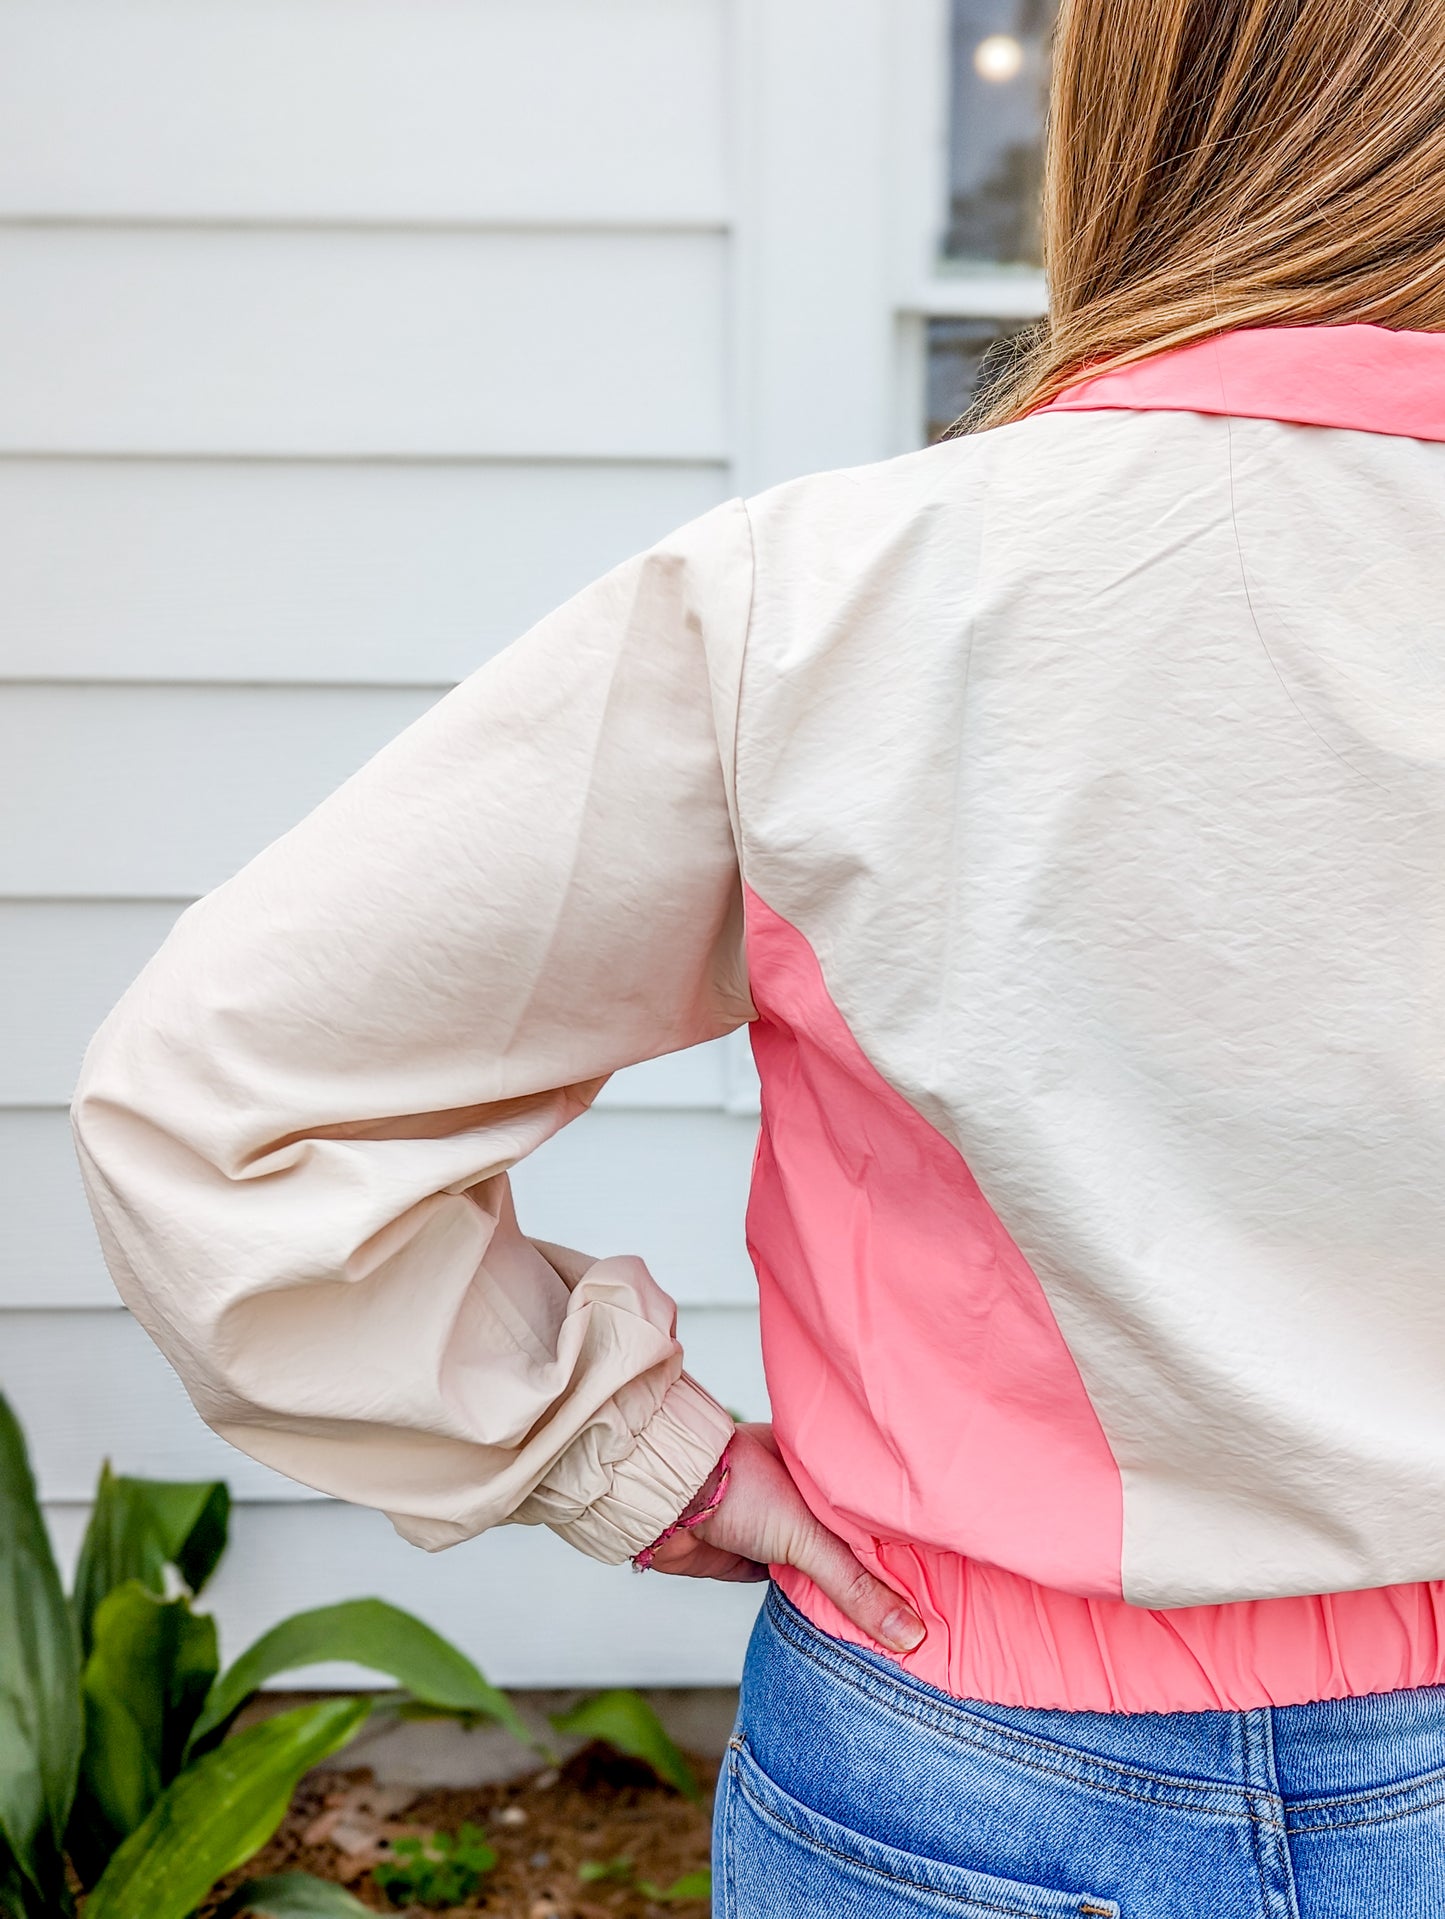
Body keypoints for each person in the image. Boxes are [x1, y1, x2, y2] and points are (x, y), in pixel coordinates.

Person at [72, 0, 1445, 1910]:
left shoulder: (823, 600)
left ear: (1139, 113)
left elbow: (223, 1101)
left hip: (954, 1751)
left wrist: (641, 1460)